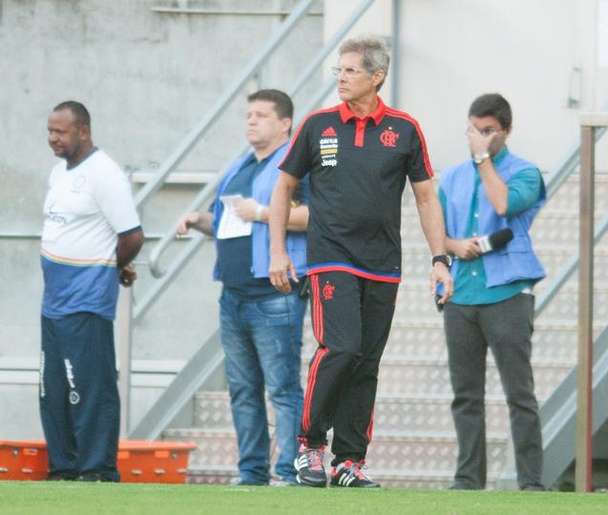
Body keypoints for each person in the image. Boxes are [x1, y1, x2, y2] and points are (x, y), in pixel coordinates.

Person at [268, 36, 453, 488]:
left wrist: (440, 258)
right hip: (331, 258)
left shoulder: (405, 129)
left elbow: (426, 196)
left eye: (350, 70)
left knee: (366, 362)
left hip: (383, 264)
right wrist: (276, 251)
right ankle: (310, 444)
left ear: (377, 76)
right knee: (342, 347)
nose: (341, 78)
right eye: (339, 70)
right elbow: (282, 188)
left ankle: (350, 460)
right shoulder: (317, 125)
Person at [176, 89, 309, 486]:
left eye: (262, 115)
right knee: (243, 389)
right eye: (248, 114)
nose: (251, 121)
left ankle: (289, 471)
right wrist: (197, 219)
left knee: (282, 389)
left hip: (275, 293)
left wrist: (265, 213)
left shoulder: (295, 164)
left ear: (285, 123)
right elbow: (227, 222)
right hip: (233, 295)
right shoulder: (241, 165)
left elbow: (315, 216)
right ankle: (251, 471)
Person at [438, 93, 546, 491]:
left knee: (519, 393)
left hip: (508, 293)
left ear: (506, 132)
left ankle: (531, 482)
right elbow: (436, 232)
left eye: (488, 132)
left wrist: (483, 159)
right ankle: (468, 479)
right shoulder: (450, 177)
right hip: (461, 295)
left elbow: (503, 203)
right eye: (473, 130)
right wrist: (453, 247)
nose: (479, 139)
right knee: (465, 394)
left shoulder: (525, 172)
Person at [40, 101, 144, 481]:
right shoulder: (58, 173)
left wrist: (109, 266)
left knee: (90, 387)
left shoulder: (105, 174)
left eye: (60, 132)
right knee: (52, 390)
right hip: (53, 301)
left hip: (87, 300)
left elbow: (131, 236)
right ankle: (63, 468)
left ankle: (97, 469)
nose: (53, 138)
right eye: (50, 131)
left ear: (83, 130)